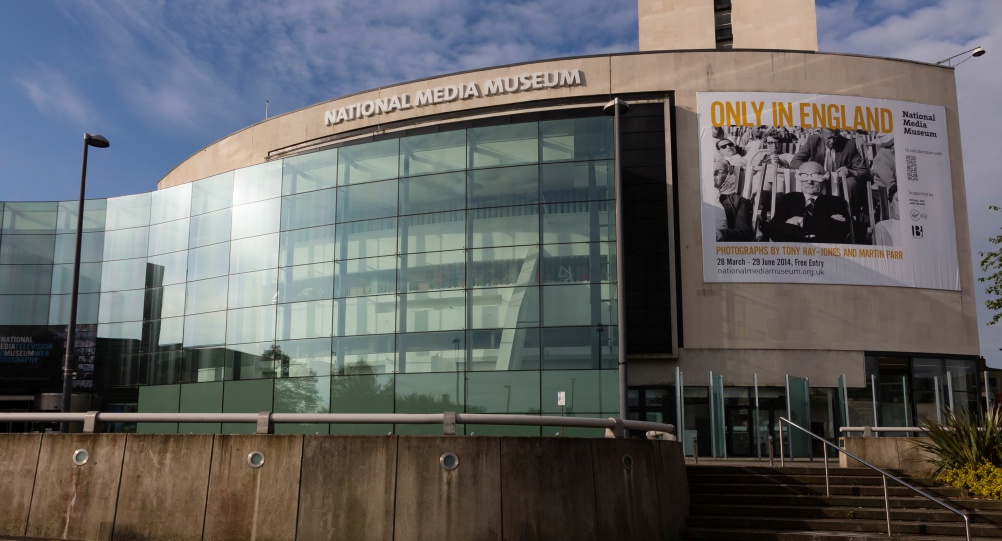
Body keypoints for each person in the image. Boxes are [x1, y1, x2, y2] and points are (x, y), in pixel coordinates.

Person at [764, 161, 851, 243]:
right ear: (800, 179)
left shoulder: (836, 202)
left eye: (815, 177)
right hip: (793, 252)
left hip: (826, 254)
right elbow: (774, 229)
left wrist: (799, 221)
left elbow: (841, 231)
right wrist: (824, 223)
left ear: (824, 179)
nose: (809, 182)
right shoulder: (789, 199)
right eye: (805, 177)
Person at [790, 127, 869, 213]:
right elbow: (794, 163)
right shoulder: (813, 141)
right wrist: (813, 167)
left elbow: (863, 171)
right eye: (828, 138)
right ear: (821, 135)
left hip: (840, 181)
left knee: (851, 182)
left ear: (839, 133)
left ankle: (850, 214)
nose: (832, 141)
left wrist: (850, 172)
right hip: (818, 179)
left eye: (835, 138)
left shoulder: (849, 144)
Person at [712, 159, 753, 241]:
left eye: (719, 171)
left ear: (728, 175)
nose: (713, 173)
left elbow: (745, 233)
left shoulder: (738, 201)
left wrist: (722, 234)